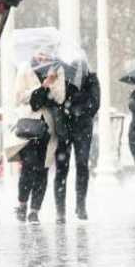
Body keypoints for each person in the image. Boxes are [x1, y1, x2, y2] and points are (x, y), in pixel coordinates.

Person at [8, 56, 67, 224]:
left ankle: (34, 211)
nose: (43, 55)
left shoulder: (57, 69)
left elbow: (60, 97)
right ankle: (22, 204)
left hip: (48, 125)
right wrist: (42, 88)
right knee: (28, 166)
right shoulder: (25, 67)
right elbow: (19, 97)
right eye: (40, 52)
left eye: (47, 52)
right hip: (29, 124)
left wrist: (51, 82)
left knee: (43, 169)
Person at [55, 70, 100, 222]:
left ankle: (81, 205)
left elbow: (95, 103)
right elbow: (56, 100)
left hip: (83, 127)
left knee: (82, 164)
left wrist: (79, 109)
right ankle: (60, 211)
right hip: (64, 127)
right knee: (62, 168)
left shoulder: (91, 78)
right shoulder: (60, 75)